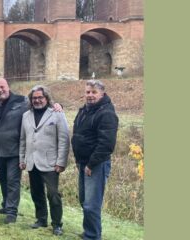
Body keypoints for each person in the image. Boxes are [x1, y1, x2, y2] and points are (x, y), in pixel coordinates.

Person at [71, 80, 119, 240]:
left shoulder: (106, 113)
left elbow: (106, 144)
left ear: (102, 94)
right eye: (88, 92)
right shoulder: (85, 110)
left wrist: (91, 164)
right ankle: (88, 232)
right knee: (85, 200)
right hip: (83, 162)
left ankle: (92, 236)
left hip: (96, 164)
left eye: (94, 92)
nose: (90, 95)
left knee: (92, 204)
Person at [19, 85, 70, 235]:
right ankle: (41, 219)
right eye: (34, 98)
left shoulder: (57, 114)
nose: (37, 100)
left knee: (53, 194)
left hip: (51, 163)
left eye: (40, 97)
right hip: (31, 161)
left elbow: (64, 139)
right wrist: (22, 159)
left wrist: (61, 162)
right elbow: (23, 139)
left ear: (46, 98)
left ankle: (57, 224)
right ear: (31, 100)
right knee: (36, 193)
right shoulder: (25, 116)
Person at [0, 78, 26, 223]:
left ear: (8, 87)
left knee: (13, 181)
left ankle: (12, 212)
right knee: (3, 180)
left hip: (14, 150)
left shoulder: (22, 101)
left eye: (2, 87)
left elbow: (41, 104)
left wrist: (57, 105)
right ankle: (5, 205)